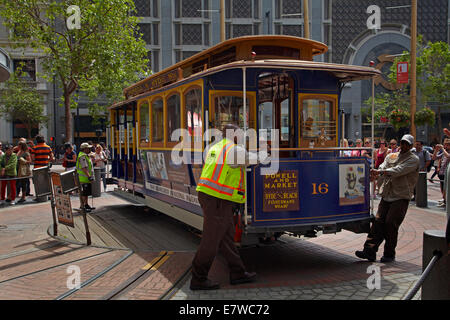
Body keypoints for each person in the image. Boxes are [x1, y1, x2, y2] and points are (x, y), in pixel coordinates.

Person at [190, 123, 267, 290]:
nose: (242, 137)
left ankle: (237, 272)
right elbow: (254, 159)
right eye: (240, 134)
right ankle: (198, 278)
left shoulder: (215, 146)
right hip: (217, 198)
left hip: (211, 196)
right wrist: (265, 150)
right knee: (211, 241)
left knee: (226, 237)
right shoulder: (234, 150)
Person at [355, 134, 419, 263]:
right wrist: (377, 172)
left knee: (391, 223)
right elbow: (383, 166)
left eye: (407, 144)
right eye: (402, 143)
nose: (404, 146)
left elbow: (398, 170)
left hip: (400, 196)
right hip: (387, 194)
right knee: (378, 222)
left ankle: (389, 254)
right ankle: (369, 251)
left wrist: (380, 172)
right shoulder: (391, 156)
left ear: (411, 146)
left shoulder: (413, 159)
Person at [76, 142, 95, 213]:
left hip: (85, 178)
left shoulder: (85, 155)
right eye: (88, 148)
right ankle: (82, 206)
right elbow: (84, 168)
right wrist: (89, 176)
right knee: (84, 192)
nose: (90, 149)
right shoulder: (82, 156)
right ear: (84, 149)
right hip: (83, 178)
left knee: (86, 192)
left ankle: (86, 204)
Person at [432, 138, 450, 207]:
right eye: (445, 145)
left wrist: (442, 148)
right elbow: (434, 158)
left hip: (448, 173)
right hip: (442, 172)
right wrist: (436, 150)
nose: (446, 146)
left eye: (447, 145)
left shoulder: (445, 152)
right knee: (443, 187)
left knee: (447, 188)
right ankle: (445, 200)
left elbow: (448, 156)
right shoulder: (444, 151)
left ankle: (446, 201)